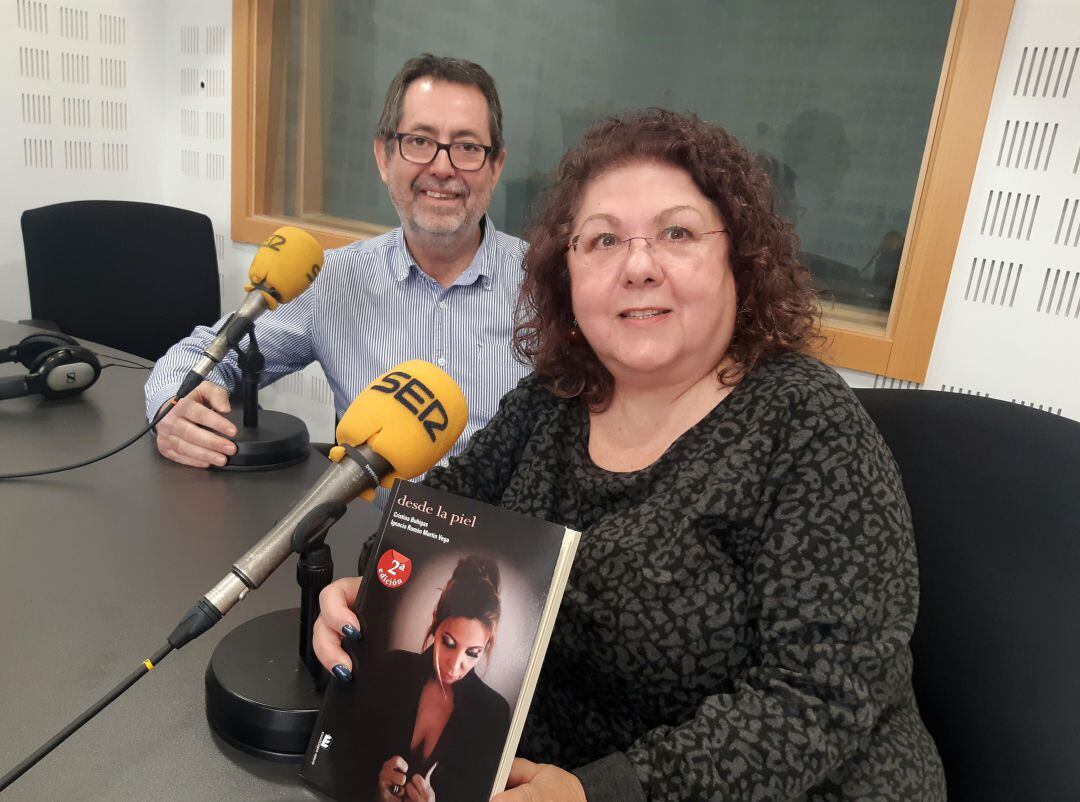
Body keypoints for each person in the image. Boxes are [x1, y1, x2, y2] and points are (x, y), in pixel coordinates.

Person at [314, 109, 946, 801]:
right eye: (604, 240)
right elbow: (443, 515)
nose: (638, 265)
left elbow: (819, 700)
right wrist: (373, 593)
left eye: (676, 232)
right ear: (570, 271)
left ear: (739, 257)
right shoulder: (552, 399)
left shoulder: (809, 425)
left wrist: (601, 792)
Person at [144, 54, 530, 468]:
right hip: (368, 529)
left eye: (467, 147)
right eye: (419, 141)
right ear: (384, 157)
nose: (441, 167)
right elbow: (203, 351)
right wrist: (173, 407)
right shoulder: (332, 280)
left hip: (504, 529)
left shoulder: (550, 287)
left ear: (495, 167)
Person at [335, 555, 510, 802]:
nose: (455, 665)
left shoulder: (494, 713)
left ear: (487, 645)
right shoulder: (391, 668)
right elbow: (343, 760)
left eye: (472, 653)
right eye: (448, 644)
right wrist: (375, 790)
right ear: (436, 618)